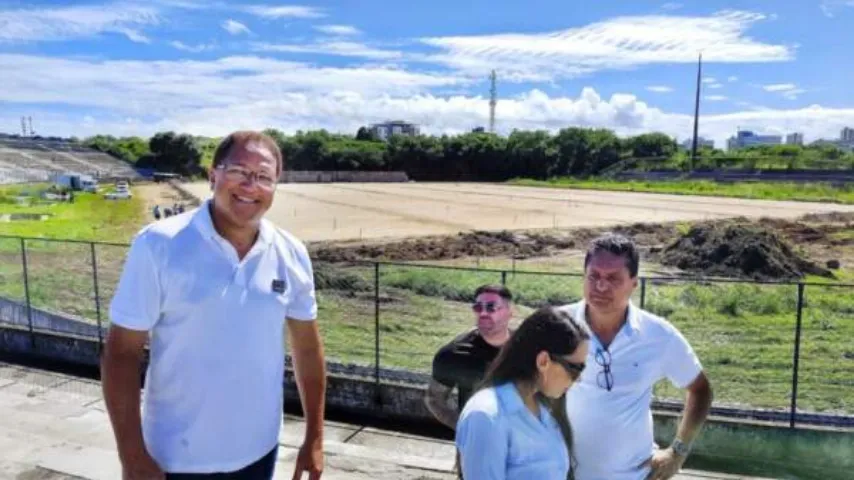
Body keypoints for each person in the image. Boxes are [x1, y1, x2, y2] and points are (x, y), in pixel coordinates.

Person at [101, 131, 327, 480]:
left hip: (260, 454)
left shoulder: (291, 253)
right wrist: (132, 456)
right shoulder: (158, 245)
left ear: (275, 186)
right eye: (239, 171)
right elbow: (121, 354)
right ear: (213, 176)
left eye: (264, 177)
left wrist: (314, 436)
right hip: (173, 461)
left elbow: (307, 350)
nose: (250, 185)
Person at [561, 233, 713, 480]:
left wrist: (678, 452)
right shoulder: (556, 326)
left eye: (613, 279)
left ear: (634, 283)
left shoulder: (658, 335)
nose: (601, 286)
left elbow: (701, 390)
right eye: (594, 276)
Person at [455, 307, 590, 479]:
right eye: (576, 368)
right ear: (543, 361)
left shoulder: (543, 409)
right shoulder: (486, 416)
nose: (578, 379)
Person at [425, 284, 514, 430]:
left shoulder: (526, 348)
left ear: (509, 312)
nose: (483, 313)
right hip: (476, 444)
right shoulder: (455, 354)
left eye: (491, 307)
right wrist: (464, 427)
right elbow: (435, 399)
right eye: (478, 308)